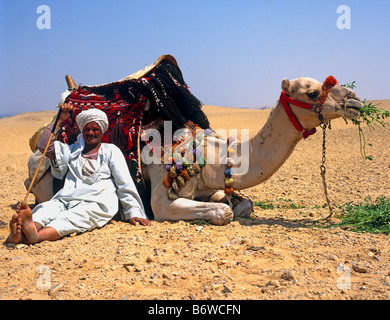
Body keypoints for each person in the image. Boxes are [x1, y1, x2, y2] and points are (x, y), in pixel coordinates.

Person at [6, 103, 151, 244]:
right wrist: (60, 119)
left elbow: (124, 184)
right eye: (87, 129)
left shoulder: (111, 151)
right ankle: (28, 229)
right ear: (82, 130)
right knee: (47, 209)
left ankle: (31, 237)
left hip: (96, 203)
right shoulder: (72, 151)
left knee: (70, 219)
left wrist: (134, 213)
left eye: (95, 129)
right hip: (67, 198)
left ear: (102, 130)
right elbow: (44, 146)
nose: (91, 133)